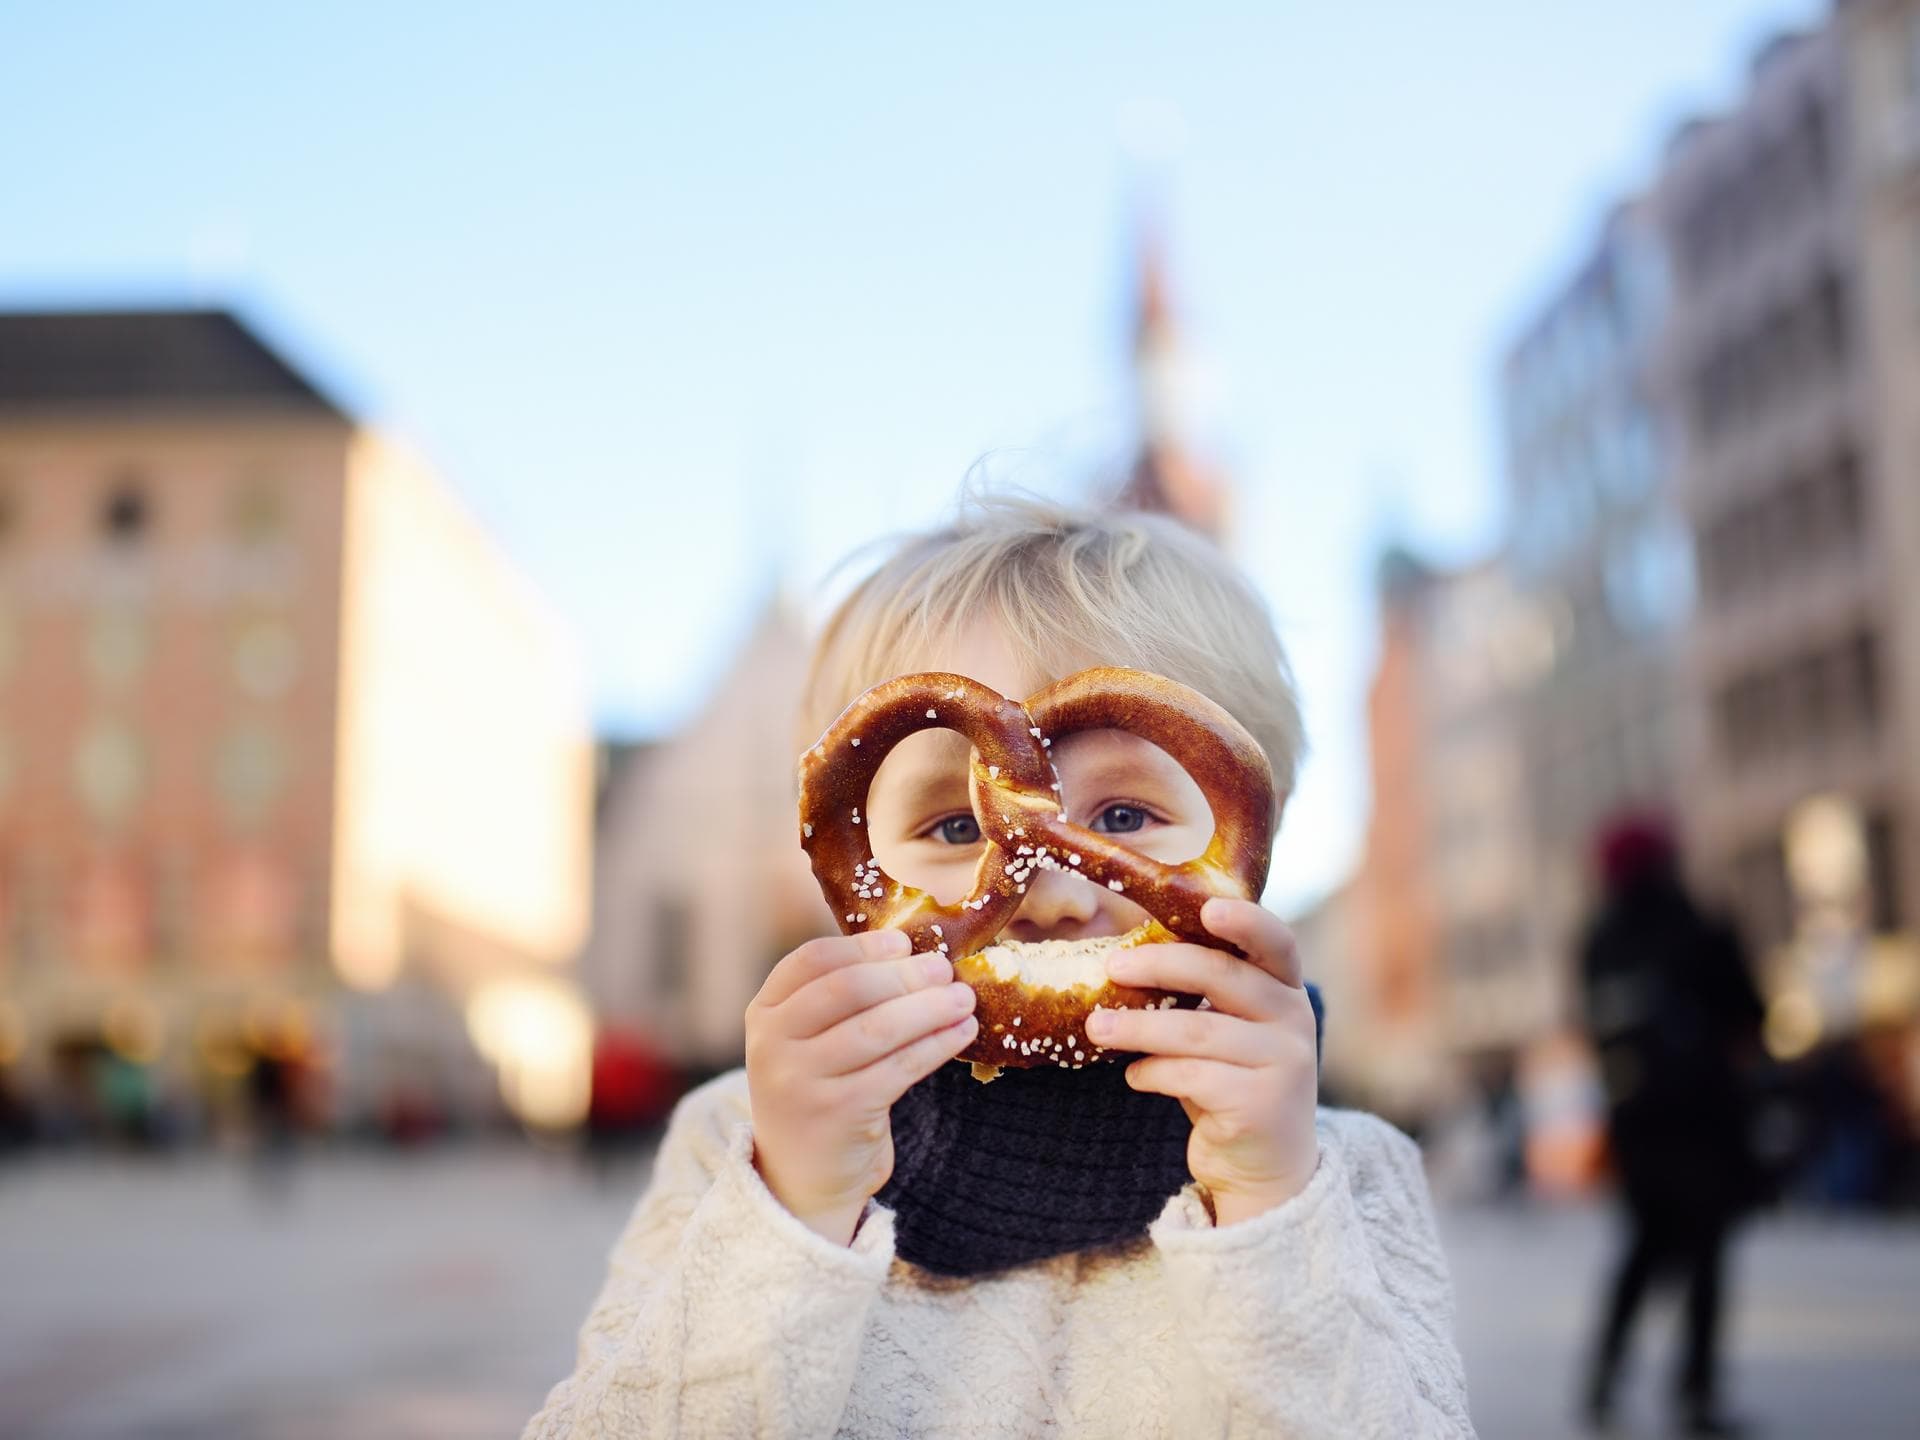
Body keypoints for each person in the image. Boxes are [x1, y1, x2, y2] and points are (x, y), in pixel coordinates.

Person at [525, 495, 1473, 1438]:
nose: (1055, 893)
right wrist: (797, 1211)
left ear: (1247, 842)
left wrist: (1270, 1208)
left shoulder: (1339, 1179)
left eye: (1122, 818)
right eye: (954, 825)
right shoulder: (740, 1143)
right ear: (849, 854)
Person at [1579, 814, 1765, 1438]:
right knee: (1706, 1259)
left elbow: (1593, 1029)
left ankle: (1602, 1381)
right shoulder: (1696, 924)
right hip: (1704, 1121)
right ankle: (1696, 1393)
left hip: (1640, 1128)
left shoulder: (1599, 939)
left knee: (1641, 1254)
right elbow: (1749, 1012)